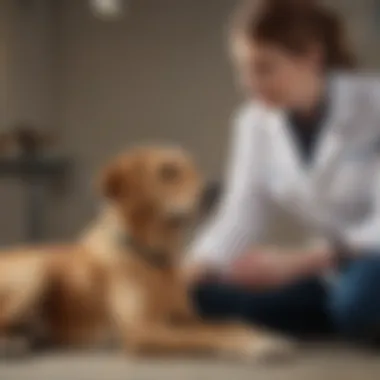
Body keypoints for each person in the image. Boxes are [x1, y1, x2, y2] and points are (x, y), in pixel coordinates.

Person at [186, 0, 380, 342]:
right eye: (243, 69)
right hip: (333, 270)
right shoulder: (253, 124)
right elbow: (241, 213)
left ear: (311, 57)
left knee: (358, 299)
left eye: (263, 68)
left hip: (368, 258)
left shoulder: (373, 105)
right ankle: (336, 311)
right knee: (198, 298)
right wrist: (196, 268)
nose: (248, 83)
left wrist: (299, 263)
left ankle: (342, 310)